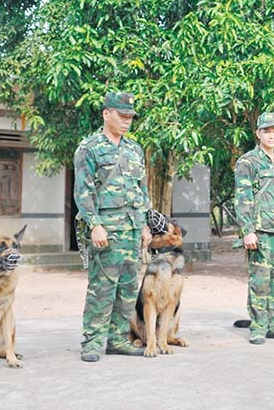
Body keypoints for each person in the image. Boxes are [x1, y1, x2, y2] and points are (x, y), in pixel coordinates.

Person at [74, 92, 154, 361]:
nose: (127, 121)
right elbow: (83, 192)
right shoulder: (89, 148)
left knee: (129, 287)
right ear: (106, 114)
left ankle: (118, 338)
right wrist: (94, 224)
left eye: (130, 116)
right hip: (107, 229)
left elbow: (142, 189)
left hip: (132, 229)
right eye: (122, 115)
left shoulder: (134, 150)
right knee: (102, 287)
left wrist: (144, 224)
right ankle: (93, 342)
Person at [233, 111, 274, 345]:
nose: (272, 135)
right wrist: (247, 230)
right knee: (260, 281)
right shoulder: (247, 161)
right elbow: (242, 198)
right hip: (260, 232)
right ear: (258, 133)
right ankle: (258, 327)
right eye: (267, 131)